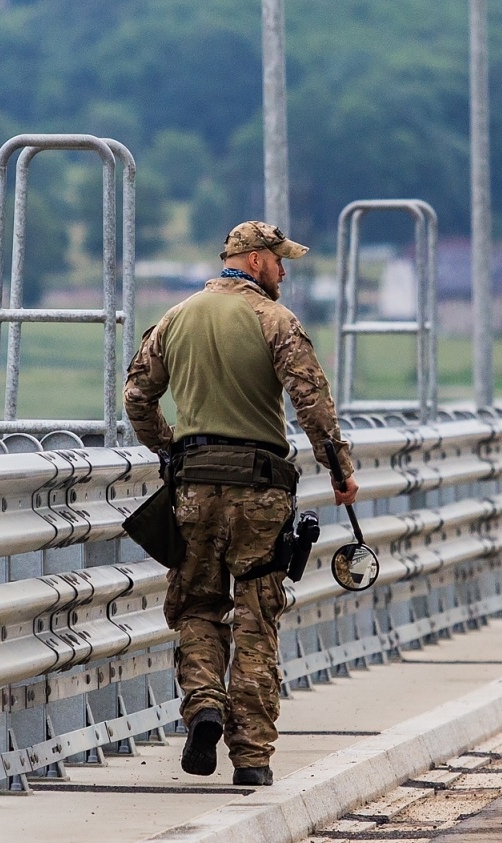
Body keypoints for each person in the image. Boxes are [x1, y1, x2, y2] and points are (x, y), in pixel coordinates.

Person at [123, 221, 358, 787]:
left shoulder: (176, 318)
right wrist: (340, 471)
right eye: (279, 261)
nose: (284, 272)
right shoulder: (274, 320)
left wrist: (168, 448)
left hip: (193, 487)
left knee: (197, 605)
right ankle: (251, 757)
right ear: (255, 260)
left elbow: (136, 395)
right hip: (260, 489)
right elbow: (311, 401)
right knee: (256, 615)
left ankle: (205, 703)